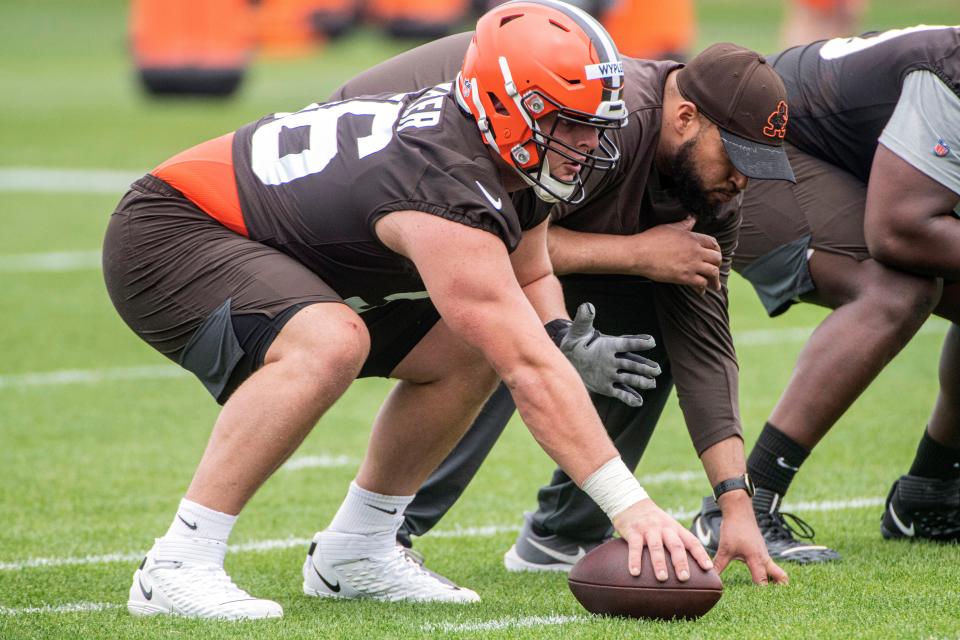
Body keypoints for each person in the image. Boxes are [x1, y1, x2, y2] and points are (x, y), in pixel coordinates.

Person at [104, 0, 713, 620]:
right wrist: (630, 505)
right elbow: (528, 369)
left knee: (468, 341)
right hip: (173, 228)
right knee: (330, 340)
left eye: (595, 125)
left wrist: (559, 331)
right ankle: (179, 562)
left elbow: (530, 270)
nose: (588, 144)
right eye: (569, 123)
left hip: (274, 244)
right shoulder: (445, 177)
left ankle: (358, 551)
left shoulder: (502, 147)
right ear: (509, 105)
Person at [332, 36, 798, 585]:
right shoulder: (600, 121)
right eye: (736, 157)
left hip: (488, 218)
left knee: (650, 336)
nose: (742, 179)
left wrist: (735, 507)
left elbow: (705, 347)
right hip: (373, 181)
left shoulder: (711, 191)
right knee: (499, 334)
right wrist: (636, 254)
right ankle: (378, 536)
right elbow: (484, 236)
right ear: (686, 118)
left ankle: (563, 534)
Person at [691, 25, 960, 563]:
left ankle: (929, 494)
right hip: (755, 145)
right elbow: (900, 228)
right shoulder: (950, 75)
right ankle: (742, 503)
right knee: (896, 289)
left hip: (834, 158)